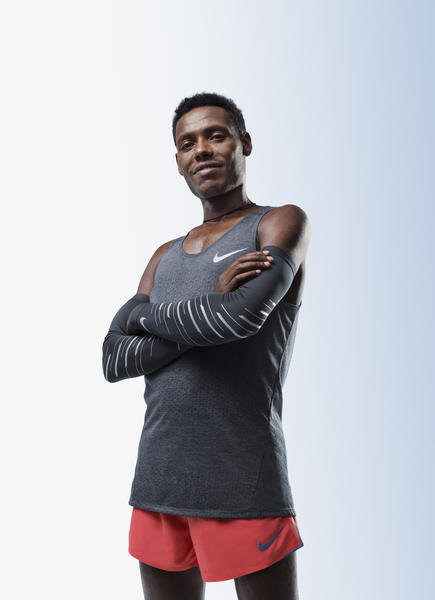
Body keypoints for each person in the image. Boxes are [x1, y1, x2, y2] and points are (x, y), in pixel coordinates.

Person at [102, 91, 311, 599]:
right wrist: (210, 303)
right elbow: (113, 357)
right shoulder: (163, 255)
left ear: (244, 143)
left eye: (216, 136)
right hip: (158, 479)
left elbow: (240, 318)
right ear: (178, 161)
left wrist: (144, 318)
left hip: (242, 477)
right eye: (187, 143)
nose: (202, 150)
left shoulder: (278, 223)